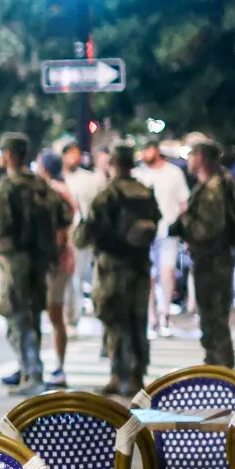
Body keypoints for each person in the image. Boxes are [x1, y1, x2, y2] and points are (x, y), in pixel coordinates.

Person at [0, 133, 70, 396]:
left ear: (10, 155)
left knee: (17, 316)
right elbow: (64, 215)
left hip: (16, 262)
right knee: (33, 315)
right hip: (40, 261)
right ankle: (28, 369)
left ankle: (31, 372)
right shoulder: (42, 185)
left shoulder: (7, 188)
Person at [76, 145, 163, 398]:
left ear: (113, 163)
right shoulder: (145, 192)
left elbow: (89, 232)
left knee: (115, 320)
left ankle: (119, 375)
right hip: (140, 265)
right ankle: (137, 375)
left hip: (113, 267)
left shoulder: (108, 194)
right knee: (138, 321)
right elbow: (156, 222)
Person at [174, 142, 235, 368]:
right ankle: (217, 368)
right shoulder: (214, 184)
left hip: (212, 261)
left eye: (191, 155)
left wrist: (184, 218)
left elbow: (207, 230)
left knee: (214, 320)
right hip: (211, 260)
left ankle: (221, 372)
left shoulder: (213, 189)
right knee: (212, 319)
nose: (188, 161)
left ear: (201, 158)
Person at [133, 140, 191, 339]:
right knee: (148, 276)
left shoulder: (174, 173)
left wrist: (185, 229)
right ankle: (151, 319)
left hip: (168, 230)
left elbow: (184, 203)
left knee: (167, 273)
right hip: (145, 233)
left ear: (156, 151)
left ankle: (164, 314)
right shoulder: (138, 174)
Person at [34, 150, 76, 386]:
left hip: (56, 262)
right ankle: (52, 366)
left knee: (54, 313)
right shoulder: (60, 190)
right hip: (58, 260)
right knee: (52, 313)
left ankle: (59, 367)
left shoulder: (55, 192)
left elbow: (61, 230)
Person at [59, 138, 105, 323]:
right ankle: (69, 311)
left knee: (77, 274)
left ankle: (74, 314)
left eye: (76, 154)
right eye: (70, 154)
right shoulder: (58, 180)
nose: (74, 158)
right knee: (66, 276)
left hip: (81, 234)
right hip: (61, 235)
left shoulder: (89, 180)